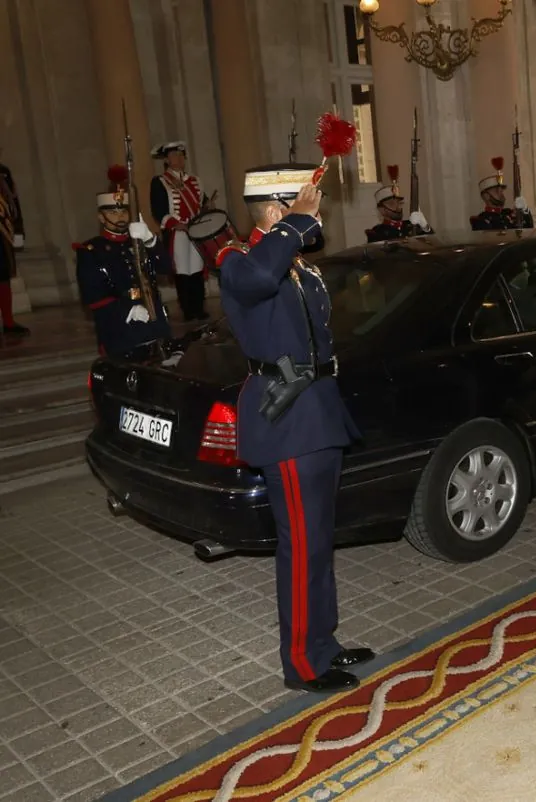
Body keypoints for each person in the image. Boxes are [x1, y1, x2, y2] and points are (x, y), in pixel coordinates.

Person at [219, 163, 373, 694]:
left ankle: (323, 644)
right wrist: (293, 225)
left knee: (319, 542)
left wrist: (294, 232)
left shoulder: (301, 268)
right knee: (302, 545)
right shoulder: (239, 262)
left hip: (318, 412)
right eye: (308, 202)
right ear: (274, 209)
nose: (318, 213)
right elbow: (260, 279)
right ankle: (303, 663)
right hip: (286, 420)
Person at [75, 166, 171, 358]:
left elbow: (166, 267)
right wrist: (129, 309)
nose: (119, 217)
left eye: (124, 212)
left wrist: (150, 239)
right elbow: (93, 296)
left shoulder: (138, 241)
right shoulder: (91, 251)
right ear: (101, 217)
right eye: (112, 213)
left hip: (155, 322)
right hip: (120, 327)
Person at [150, 141, 211, 321]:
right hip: (177, 232)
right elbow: (158, 209)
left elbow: (201, 203)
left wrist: (207, 207)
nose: (179, 158)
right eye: (174, 155)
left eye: (181, 155)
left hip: (195, 230)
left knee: (197, 269)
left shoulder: (195, 180)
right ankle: (187, 310)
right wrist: (174, 224)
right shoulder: (160, 182)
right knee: (183, 271)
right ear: (167, 160)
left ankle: (199, 308)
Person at [0, 157, 29, 337]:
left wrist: (18, 230)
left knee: (3, 274)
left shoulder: (3, 172)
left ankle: (8, 322)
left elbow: (13, 204)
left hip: (2, 232)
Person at [366, 164, 432, 242]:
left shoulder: (411, 226)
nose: (397, 207)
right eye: (392, 204)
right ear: (382, 210)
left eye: (399, 203)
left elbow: (433, 245)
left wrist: (425, 227)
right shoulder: (377, 233)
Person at [470, 157, 532, 230]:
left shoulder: (508, 213)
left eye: (501, 190)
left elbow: (528, 230)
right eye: (496, 190)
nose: (501, 193)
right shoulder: (481, 221)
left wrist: (525, 211)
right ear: (486, 196)